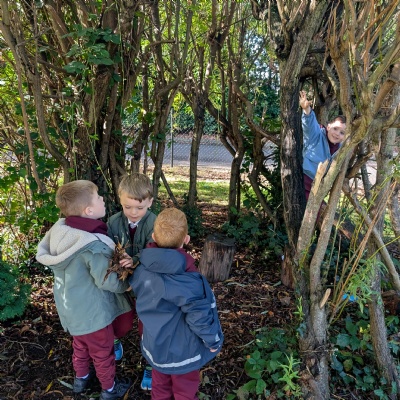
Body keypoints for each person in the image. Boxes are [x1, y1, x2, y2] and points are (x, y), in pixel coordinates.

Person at [36, 180, 132, 400]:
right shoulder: (91, 246)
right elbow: (106, 280)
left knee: (80, 345)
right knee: (102, 352)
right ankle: (109, 389)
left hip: (72, 311)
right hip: (93, 314)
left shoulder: (61, 231)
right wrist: (127, 285)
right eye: (98, 197)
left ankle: (81, 379)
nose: (103, 199)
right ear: (89, 210)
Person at [129, 208, 224, 400]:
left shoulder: (141, 270)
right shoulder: (189, 281)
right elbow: (199, 317)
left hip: (155, 345)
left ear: (153, 236)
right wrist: (213, 341)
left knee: (159, 385)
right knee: (184, 390)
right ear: (186, 239)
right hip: (183, 352)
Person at [107, 173, 157, 390]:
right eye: (128, 207)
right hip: (123, 284)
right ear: (120, 200)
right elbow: (108, 248)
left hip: (148, 286)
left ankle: (150, 364)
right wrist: (118, 260)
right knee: (121, 322)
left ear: (150, 202)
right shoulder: (113, 222)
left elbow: (155, 253)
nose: (134, 213)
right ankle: (115, 340)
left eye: (140, 208)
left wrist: (134, 260)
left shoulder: (155, 223)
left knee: (148, 327)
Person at [299, 90, 346, 200]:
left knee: (319, 209)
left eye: (342, 133)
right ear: (328, 127)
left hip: (319, 188)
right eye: (335, 128)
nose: (337, 134)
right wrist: (306, 109)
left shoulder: (340, 148)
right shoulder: (316, 135)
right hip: (304, 182)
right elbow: (309, 125)